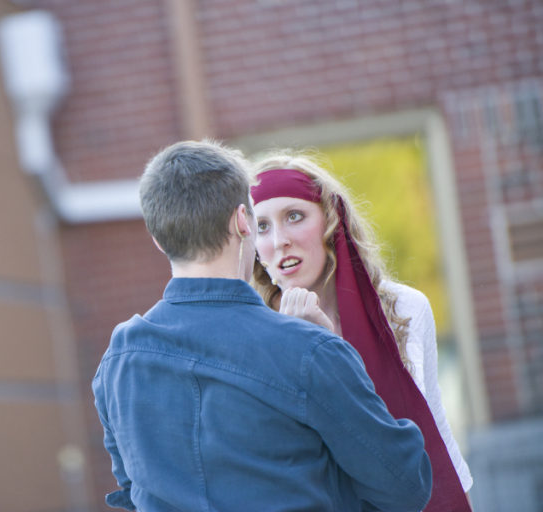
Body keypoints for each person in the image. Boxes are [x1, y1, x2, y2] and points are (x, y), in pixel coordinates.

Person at [92, 139, 432, 511]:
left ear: (158, 240)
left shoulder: (118, 360)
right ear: (242, 221)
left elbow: (133, 491)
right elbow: (404, 485)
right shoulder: (310, 351)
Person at [249, 150, 473, 511]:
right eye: (262, 226)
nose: (279, 240)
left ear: (329, 223)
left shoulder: (406, 309)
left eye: (294, 216)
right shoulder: (254, 335)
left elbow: (435, 428)